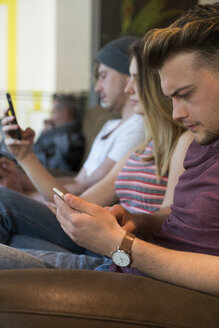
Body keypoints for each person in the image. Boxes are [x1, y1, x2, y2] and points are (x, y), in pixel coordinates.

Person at [1, 2, 219, 297]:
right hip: (126, 266)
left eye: (185, 94)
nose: (177, 113)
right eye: (171, 98)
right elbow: (176, 213)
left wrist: (121, 244)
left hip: (149, 290)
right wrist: (140, 221)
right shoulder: (198, 140)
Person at [0, 39, 192, 253]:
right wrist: (24, 157)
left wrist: (27, 193)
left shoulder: (179, 142)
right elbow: (79, 198)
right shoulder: (142, 148)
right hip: (97, 237)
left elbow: (166, 217)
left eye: (135, 78)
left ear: (154, 83)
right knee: (13, 243)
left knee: (2, 200)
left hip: (115, 250)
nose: (129, 88)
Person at [0, 36, 145, 199]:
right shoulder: (110, 125)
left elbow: (86, 188)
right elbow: (78, 180)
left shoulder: (139, 127)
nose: (97, 88)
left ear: (128, 76)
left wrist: (22, 194)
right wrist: (19, 180)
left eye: (103, 76)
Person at [32, 93, 85, 172]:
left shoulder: (71, 139)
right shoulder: (58, 132)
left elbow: (49, 165)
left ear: (65, 113)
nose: (51, 118)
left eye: (53, 112)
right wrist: (45, 133)